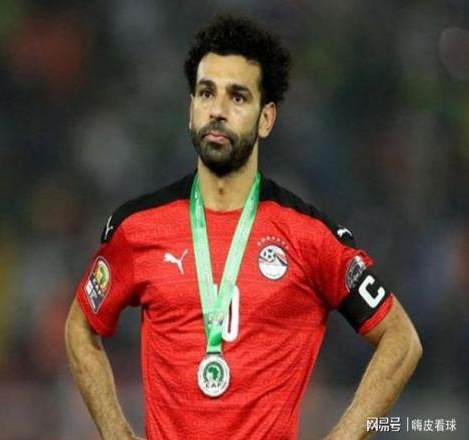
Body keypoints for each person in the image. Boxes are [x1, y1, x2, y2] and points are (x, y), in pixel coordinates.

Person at [65, 14, 422, 440]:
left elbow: (401, 340)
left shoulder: (309, 237)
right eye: (206, 93)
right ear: (190, 109)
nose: (217, 110)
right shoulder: (138, 227)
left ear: (266, 118)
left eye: (237, 97)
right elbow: (79, 327)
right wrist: (116, 432)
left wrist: (342, 436)